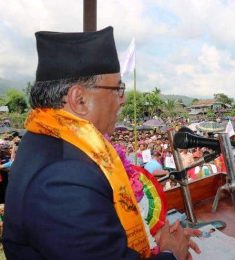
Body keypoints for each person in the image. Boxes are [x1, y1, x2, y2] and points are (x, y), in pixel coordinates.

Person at [3, 27, 198, 260]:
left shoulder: (45, 137)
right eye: (117, 89)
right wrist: (171, 253)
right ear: (80, 99)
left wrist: (151, 241)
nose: (123, 99)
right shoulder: (64, 175)